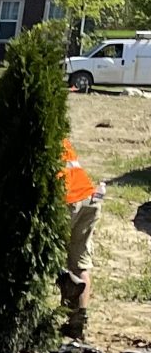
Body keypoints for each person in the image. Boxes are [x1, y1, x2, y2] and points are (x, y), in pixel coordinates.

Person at [61, 138, 103, 340]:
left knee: (42, 251)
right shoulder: (62, 140)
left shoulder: (31, 137)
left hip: (68, 200)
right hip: (90, 198)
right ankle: (77, 322)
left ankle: (65, 280)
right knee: (80, 264)